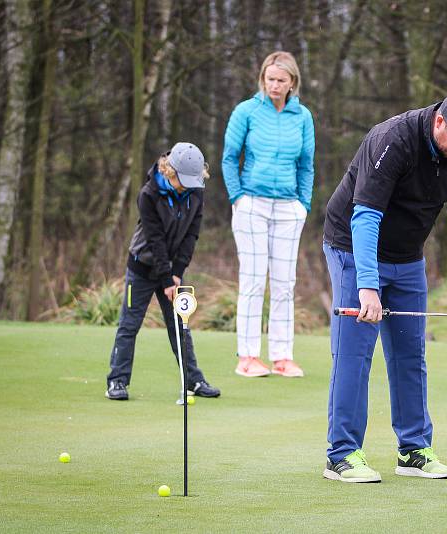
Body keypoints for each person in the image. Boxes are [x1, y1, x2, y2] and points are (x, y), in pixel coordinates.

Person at [322, 93, 447, 483]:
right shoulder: (393, 139)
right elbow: (364, 215)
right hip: (353, 246)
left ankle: (413, 448)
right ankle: (342, 453)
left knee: (409, 354)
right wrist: (367, 286)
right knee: (355, 352)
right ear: (440, 124)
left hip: (407, 254)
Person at [222, 51, 315, 379]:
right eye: (269, 79)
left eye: (281, 80)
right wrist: (238, 198)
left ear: (292, 82)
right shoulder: (246, 111)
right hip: (251, 206)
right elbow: (229, 157)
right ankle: (247, 357)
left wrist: (303, 204)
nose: (274, 85)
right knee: (252, 280)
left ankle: (282, 357)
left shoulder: (302, 116)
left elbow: (306, 164)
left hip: (289, 209)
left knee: (284, 284)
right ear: (263, 79)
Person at [106, 142, 221, 401]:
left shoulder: (195, 193)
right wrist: (167, 278)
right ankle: (116, 381)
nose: (190, 185)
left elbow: (192, 234)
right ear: (171, 171)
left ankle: (194, 381)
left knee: (180, 325)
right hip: (143, 267)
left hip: (172, 271)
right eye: (185, 179)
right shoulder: (149, 194)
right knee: (129, 324)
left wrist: (177, 271)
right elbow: (154, 239)